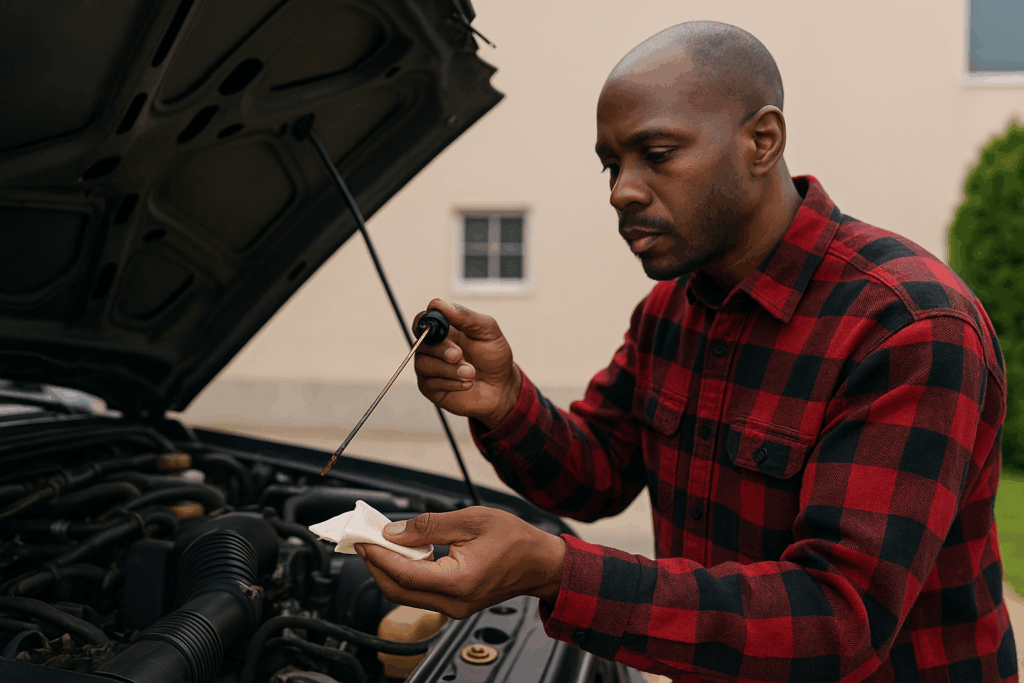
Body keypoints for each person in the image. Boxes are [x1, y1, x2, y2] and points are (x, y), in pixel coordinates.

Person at [353, 21, 1018, 682]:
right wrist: (503, 402)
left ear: (763, 140)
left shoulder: (907, 326)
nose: (621, 190)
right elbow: (596, 474)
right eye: (612, 164)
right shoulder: (673, 308)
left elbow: (837, 619)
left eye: (657, 153)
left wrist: (558, 570)